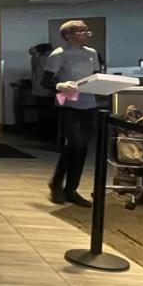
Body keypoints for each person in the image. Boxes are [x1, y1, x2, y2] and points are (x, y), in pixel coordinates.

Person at [42, 20, 102, 206]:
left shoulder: (92, 53)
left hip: (89, 105)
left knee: (81, 148)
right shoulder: (59, 55)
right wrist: (59, 85)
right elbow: (45, 82)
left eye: (87, 31)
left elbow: (97, 76)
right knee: (75, 144)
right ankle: (57, 184)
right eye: (81, 31)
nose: (86, 34)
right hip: (69, 106)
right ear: (68, 35)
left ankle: (71, 189)